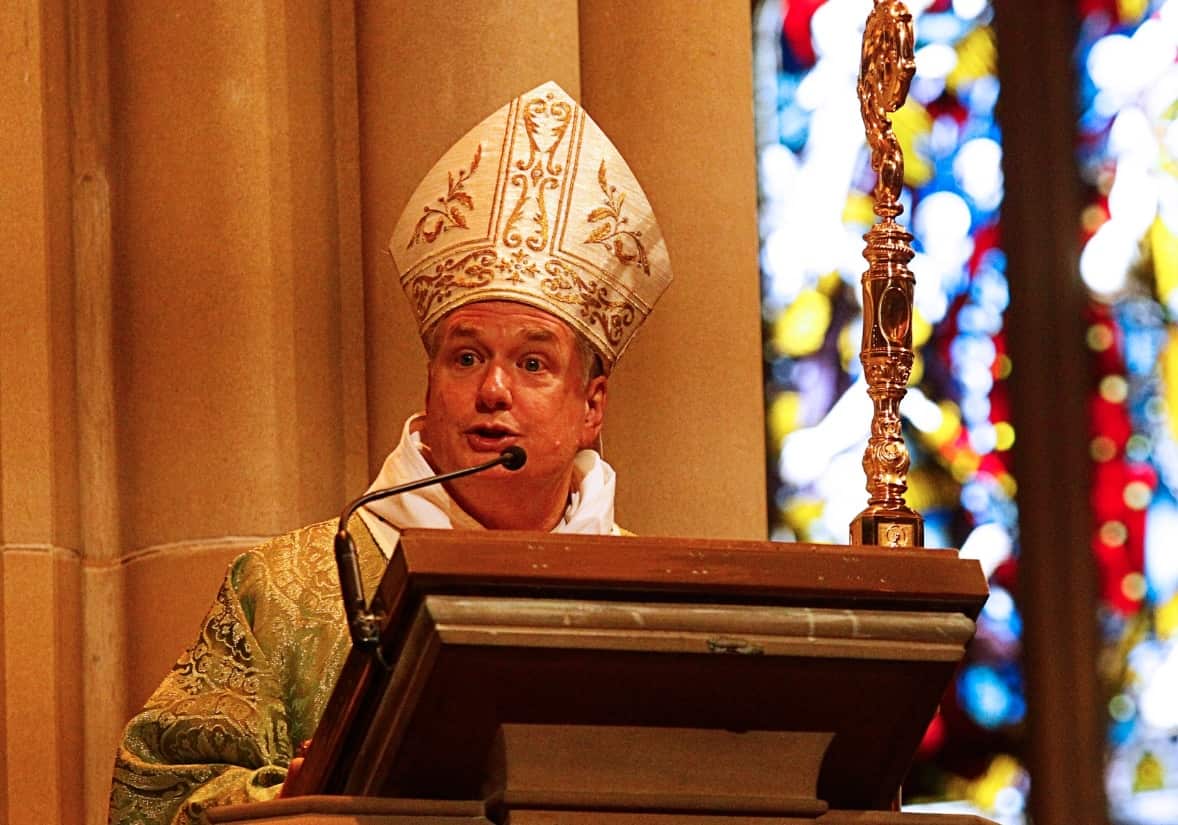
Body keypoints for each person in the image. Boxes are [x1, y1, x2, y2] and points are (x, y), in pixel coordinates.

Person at [108, 80, 672, 825]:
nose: (493, 389)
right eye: (466, 357)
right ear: (431, 383)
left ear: (591, 407)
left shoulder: (656, 603)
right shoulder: (286, 591)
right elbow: (151, 796)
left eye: (533, 363)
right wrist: (286, 800)